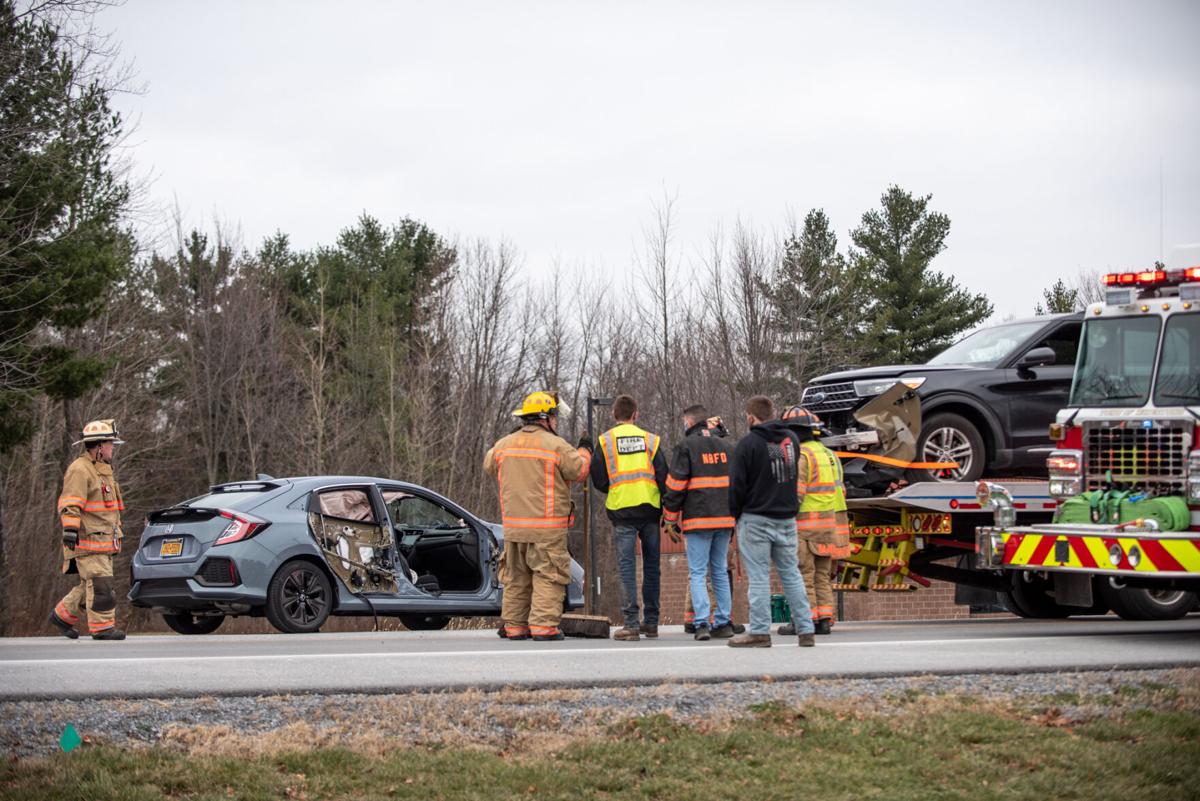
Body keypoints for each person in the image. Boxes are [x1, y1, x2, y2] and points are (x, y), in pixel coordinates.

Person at [484, 392, 591, 641]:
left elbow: (489, 463)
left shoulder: (504, 444)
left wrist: (510, 440)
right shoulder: (556, 445)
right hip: (546, 529)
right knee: (548, 576)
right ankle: (544, 627)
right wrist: (585, 450)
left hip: (513, 530)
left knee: (516, 578)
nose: (556, 422)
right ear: (546, 419)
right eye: (554, 417)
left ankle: (515, 627)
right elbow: (579, 470)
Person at [727, 396, 815, 647]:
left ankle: (760, 631)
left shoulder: (748, 444)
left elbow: (737, 486)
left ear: (750, 416)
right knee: (791, 574)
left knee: (759, 577)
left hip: (755, 518)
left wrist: (735, 514)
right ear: (773, 414)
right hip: (786, 518)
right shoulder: (791, 441)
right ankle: (806, 629)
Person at [589, 394, 667, 641]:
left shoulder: (605, 441)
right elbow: (664, 476)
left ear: (614, 415)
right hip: (650, 508)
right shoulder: (650, 440)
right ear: (636, 414)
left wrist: (617, 488)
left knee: (626, 568)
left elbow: (599, 478)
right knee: (652, 566)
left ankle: (631, 624)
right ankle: (652, 622)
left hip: (622, 510)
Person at [48, 419, 128, 641]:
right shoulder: (80, 470)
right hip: (88, 540)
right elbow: (70, 503)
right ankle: (103, 628)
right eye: (111, 443)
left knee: (89, 584)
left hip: (103, 541)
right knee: (101, 585)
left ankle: (62, 617)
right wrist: (70, 530)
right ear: (99, 446)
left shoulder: (102, 471)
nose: (113, 448)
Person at [662, 406, 736, 640]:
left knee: (697, 573)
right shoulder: (727, 447)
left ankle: (702, 622)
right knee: (720, 572)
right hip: (725, 519)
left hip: (698, 519)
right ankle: (723, 622)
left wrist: (670, 518)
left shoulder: (686, 447)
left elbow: (675, 486)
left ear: (690, 422)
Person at [780, 406, 850, 636]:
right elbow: (840, 490)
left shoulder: (802, 455)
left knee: (803, 575)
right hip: (829, 526)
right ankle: (824, 619)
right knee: (822, 575)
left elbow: (796, 494)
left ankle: (804, 621)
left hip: (805, 527)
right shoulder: (829, 454)